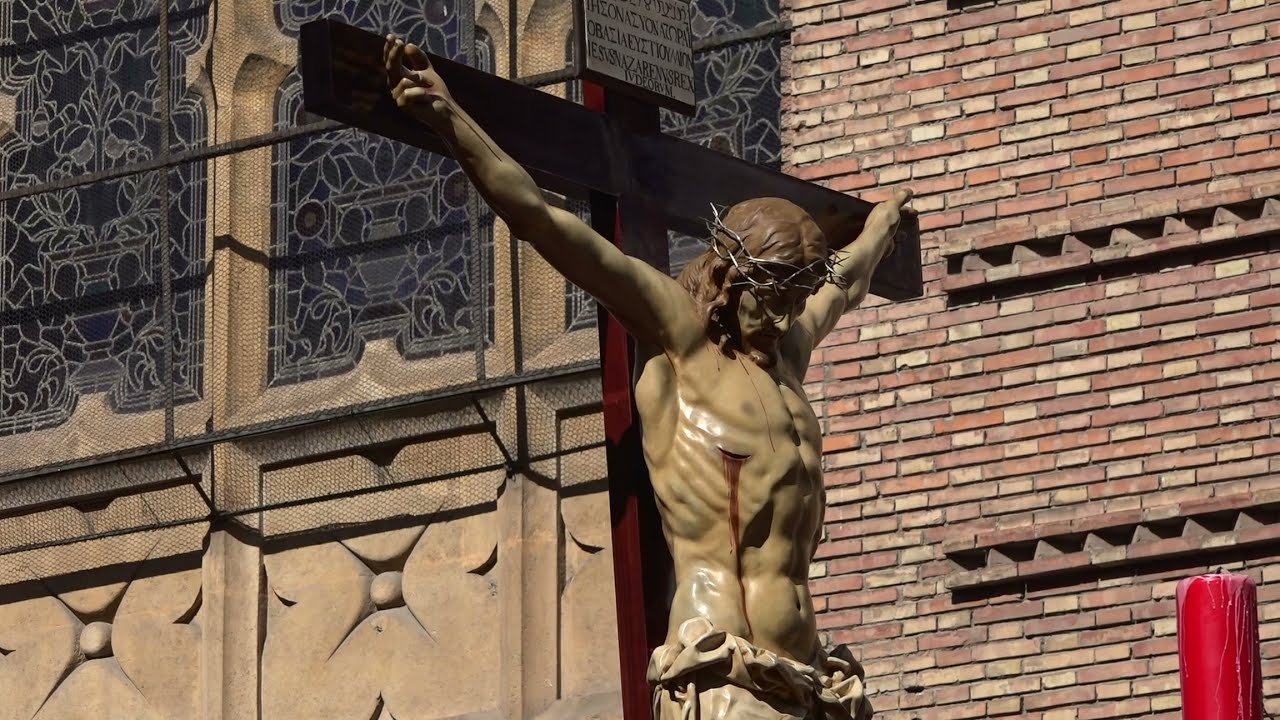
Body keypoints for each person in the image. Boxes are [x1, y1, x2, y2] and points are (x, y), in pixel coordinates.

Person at [384, 35, 911, 720]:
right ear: (726, 280)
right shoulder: (685, 344)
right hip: (724, 675)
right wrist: (448, 116)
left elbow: (845, 283)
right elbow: (546, 223)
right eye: (770, 294)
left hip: (814, 685)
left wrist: (880, 227)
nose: (783, 315)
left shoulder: (789, 355)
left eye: (793, 296)